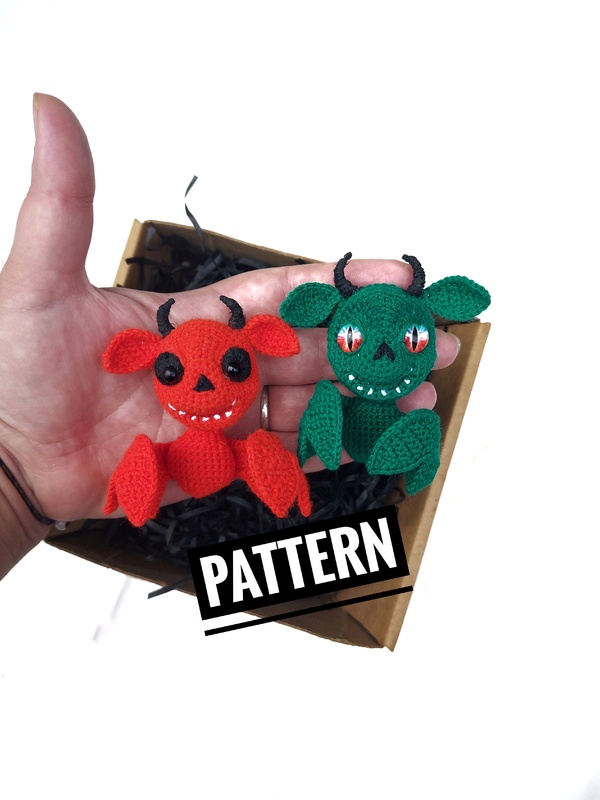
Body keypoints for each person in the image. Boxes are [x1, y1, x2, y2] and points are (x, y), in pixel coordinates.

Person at [0, 94, 461, 580]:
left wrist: (16, 475)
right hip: (177, 462)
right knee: (171, 458)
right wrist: (18, 466)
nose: (202, 384)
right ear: (141, 356)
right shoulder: (156, 447)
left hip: (252, 453)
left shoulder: (262, 441)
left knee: (271, 451)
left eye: (234, 367)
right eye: (172, 372)